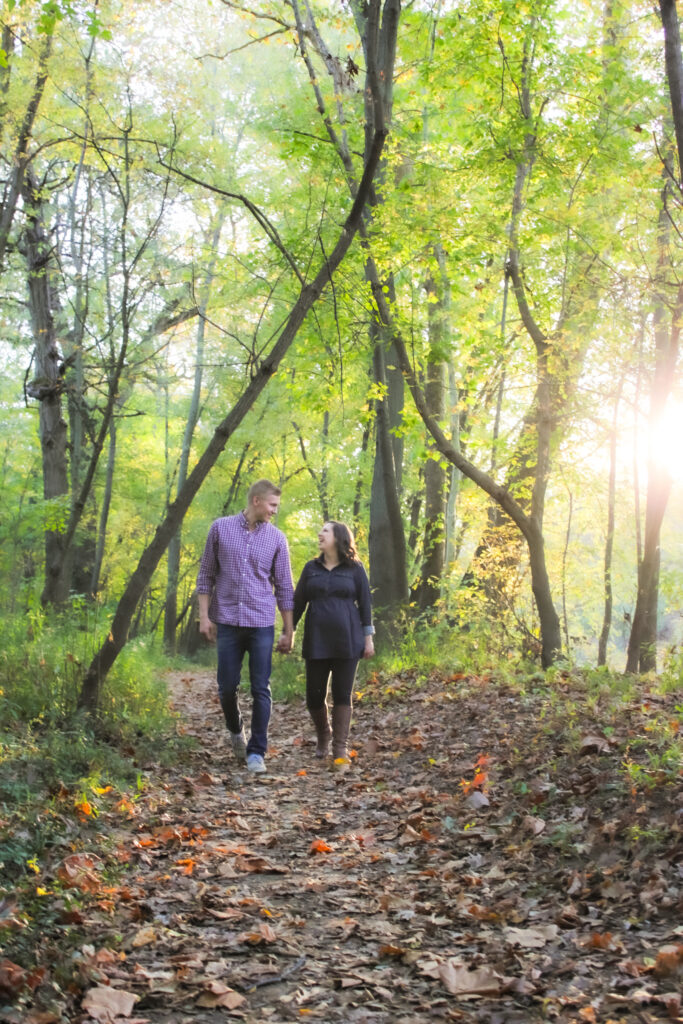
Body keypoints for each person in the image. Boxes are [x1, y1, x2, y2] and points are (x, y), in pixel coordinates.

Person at [196, 479, 294, 774]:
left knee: (260, 687)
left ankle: (256, 752)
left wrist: (289, 631)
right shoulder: (220, 528)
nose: (275, 511)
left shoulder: (277, 539)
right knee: (226, 686)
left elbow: (285, 588)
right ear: (256, 501)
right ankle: (236, 729)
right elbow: (205, 575)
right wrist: (204, 616)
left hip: (261, 622)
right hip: (226, 620)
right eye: (272, 505)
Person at [293, 521, 374, 761]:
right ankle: (324, 734)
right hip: (317, 640)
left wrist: (368, 639)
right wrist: (289, 631)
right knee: (314, 695)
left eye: (325, 531)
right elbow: (298, 603)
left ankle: (340, 746)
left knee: (342, 693)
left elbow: (366, 605)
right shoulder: (311, 568)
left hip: (348, 639)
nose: (320, 534)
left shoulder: (355, 569)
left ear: (338, 537)